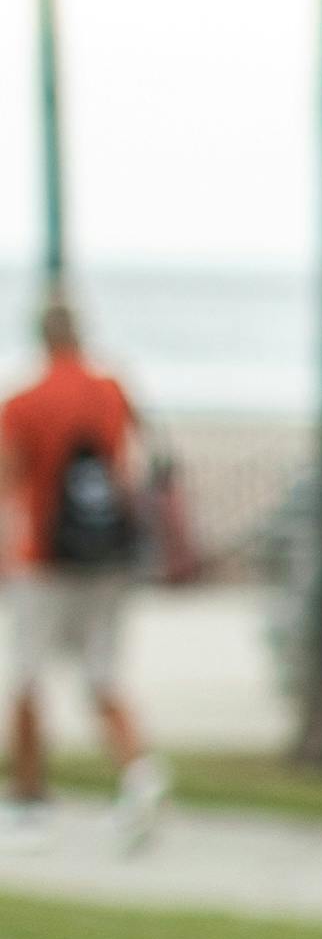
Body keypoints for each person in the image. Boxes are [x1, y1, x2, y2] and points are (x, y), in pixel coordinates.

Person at [4, 294, 170, 844]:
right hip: (109, 557)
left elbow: (10, 480)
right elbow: (146, 452)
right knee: (103, 674)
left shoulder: (24, 402)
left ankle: (29, 802)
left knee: (28, 677)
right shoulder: (111, 389)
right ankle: (139, 773)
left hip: (47, 559)